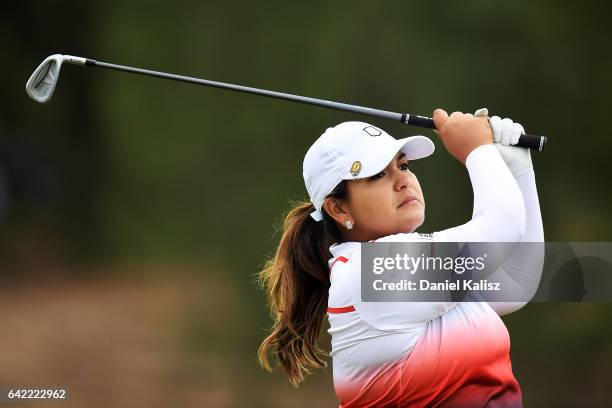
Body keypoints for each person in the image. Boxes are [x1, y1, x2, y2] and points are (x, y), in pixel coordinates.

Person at [258, 109, 544, 407]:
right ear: (339, 209)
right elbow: (501, 229)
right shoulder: (371, 272)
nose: (402, 181)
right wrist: (478, 150)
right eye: (379, 174)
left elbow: (514, 282)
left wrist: (518, 169)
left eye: (403, 165)